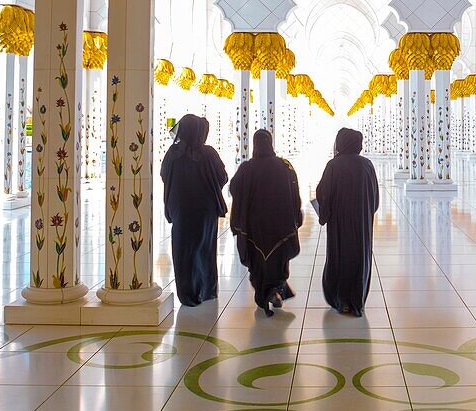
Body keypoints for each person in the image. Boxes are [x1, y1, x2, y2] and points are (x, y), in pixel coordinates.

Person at [230, 129, 303, 316]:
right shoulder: (284, 166)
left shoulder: (247, 168)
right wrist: (296, 216)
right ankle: (276, 289)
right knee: (279, 258)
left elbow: (234, 189)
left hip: (254, 227)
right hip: (280, 225)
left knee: (257, 261)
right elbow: (294, 194)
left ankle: (264, 293)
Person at [161, 113, 228, 307]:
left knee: (183, 250)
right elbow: (222, 176)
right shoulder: (208, 153)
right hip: (205, 209)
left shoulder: (173, 153)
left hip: (181, 208)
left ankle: (187, 293)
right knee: (205, 248)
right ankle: (207, 290)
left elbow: (164, 175)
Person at [315, 127, 379, 317]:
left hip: (339, 224)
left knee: (340, 256)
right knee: (360, 257)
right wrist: (366, 212)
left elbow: (323, 193)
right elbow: (374, 198)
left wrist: (325, 212)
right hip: (361, 224)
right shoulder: (367, 165)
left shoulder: (333, 166)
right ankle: (356, 301)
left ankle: (341, 300)